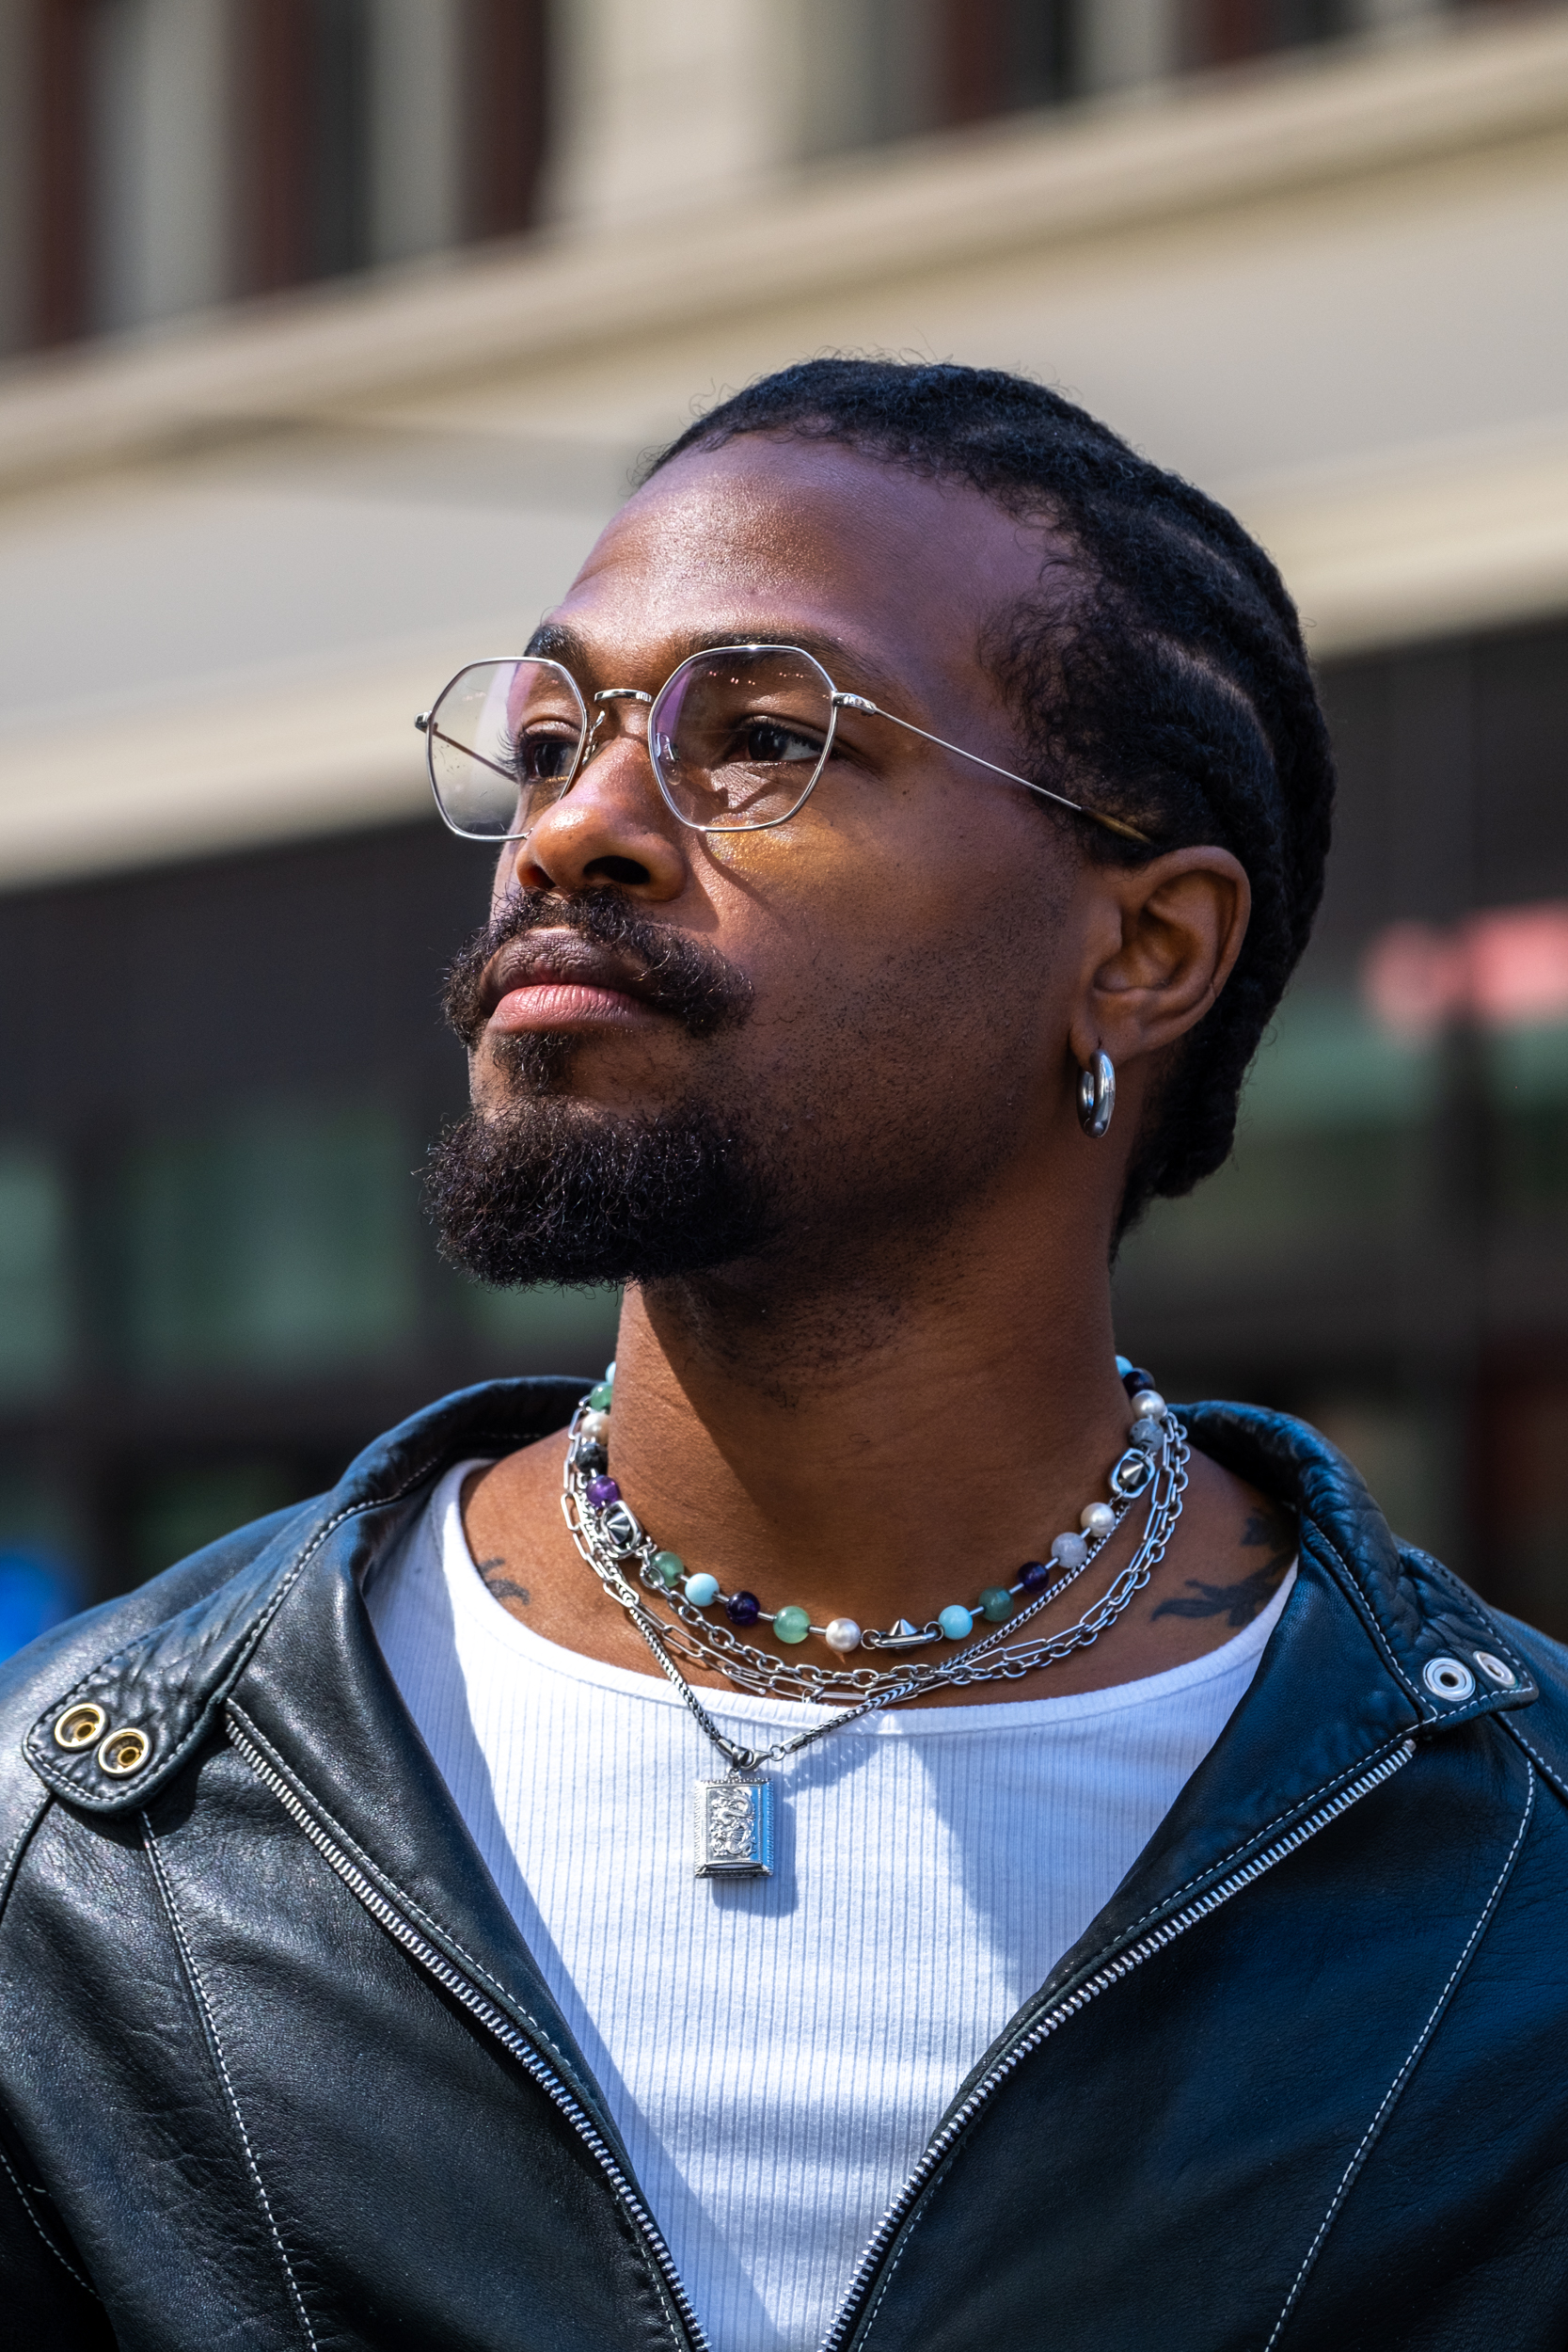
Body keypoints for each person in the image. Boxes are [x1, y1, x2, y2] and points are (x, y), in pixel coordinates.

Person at [1, 359, 1564, 2352]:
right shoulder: (95, 1844)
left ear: (1146, 948)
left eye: (762, 738)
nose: (575, 826)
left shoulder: (1514, 1877)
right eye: (551, 732)